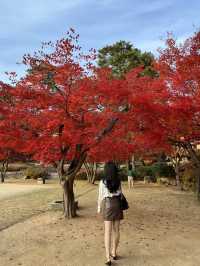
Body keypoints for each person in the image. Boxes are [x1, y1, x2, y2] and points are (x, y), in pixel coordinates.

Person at [97, 161, 123, 265]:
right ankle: (114, 252)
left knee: (107, 232)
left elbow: (100, 196)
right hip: (117, 205)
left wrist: (99, 208)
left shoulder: (102, 182)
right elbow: (121, 194)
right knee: (116, 230)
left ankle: (108, 257)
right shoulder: (118, 181)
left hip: (107, 205)